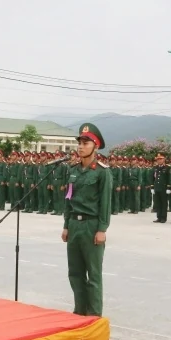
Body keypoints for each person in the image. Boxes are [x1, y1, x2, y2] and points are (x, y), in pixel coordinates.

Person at [62, 122, 111, 317]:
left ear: (95, 146)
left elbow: (106, 203)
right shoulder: (73, 170)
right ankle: (79, 311)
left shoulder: (102, 171)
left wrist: (102, 229)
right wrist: (66, 225)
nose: (81, 146)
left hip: (92, 226)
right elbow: (68, 199)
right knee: (75, 273)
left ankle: (93, 315)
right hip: (74, 225)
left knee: (94, 275)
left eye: (86, 143)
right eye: (80, 142)